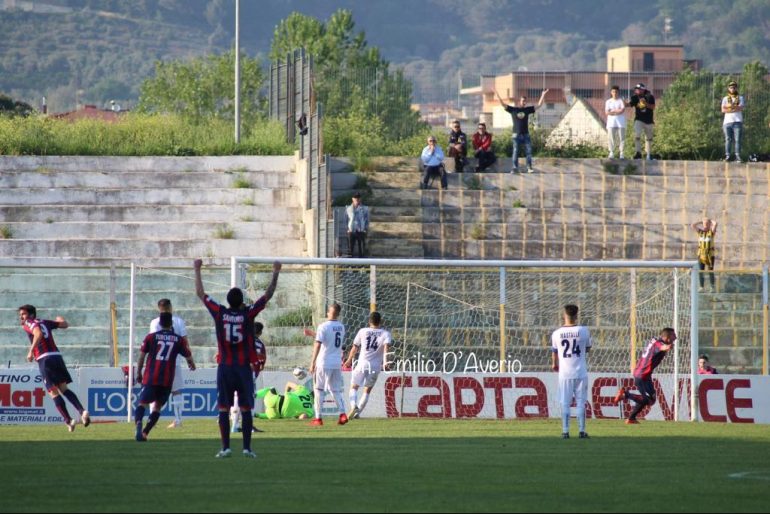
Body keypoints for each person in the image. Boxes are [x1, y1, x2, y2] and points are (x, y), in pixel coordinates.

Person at [194, 258, 281, 459]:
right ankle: (247, 449)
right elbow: (267, 296)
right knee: (246, 408)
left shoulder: (220, 312)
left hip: (225, 367)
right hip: (243, 368)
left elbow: (200, 294)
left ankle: (225, 448)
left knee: (224, 408)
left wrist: (197, 269)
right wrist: (275, 272)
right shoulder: (248, 314)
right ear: (241, 301)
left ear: (227, 300)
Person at [19, 305, 90, 432]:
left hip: (44, 359)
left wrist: (30, 351)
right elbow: (64, 324)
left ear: (31, 315)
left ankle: (68, 420)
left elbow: (38, 333)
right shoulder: (44, 322)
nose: (21, 317)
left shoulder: (28, 323)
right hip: (57, 357)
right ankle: (82, 411)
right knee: (64, 388)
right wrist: (59, 318)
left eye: (23, 314)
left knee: (53, 392)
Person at [134, 312, 196, 442]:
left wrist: (139, 372)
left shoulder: (151, 337)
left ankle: (138, 424)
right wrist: (191, 364)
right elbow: (188, 355)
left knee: (143, 403)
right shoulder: (178, 340)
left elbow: (141, 356)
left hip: (151, 377)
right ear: (171, 324)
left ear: (160, 324)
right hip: (167, 379)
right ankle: (145, 432)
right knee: (157, 407)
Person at [613, 328, 677, 424]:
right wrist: (668, 347)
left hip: (644, 374)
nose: (675, 337)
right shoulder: (659, 344)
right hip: (642, 374)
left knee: (647, 398)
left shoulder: (655, 340)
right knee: (649, 400)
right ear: (667, 337)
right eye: (673, 335)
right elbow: (662, 347)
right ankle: (625, 395)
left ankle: (631, 418)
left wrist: (667, 345)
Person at [550, 305, 592, 439]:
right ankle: (581, 431)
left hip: (565, 374)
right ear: (577, 315)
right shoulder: (584, 331)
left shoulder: (556, 333)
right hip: (580, 372)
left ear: (564, 315)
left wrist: (554, 364)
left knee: (565, 402)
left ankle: (565, 431)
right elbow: (587, 349)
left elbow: (554, 353)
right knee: (581, 402)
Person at [148, 298, 189, 429]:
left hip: (158, 363)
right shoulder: (179, 321)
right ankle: (178, 420)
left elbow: (153, 342)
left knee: (154, 389)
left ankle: (151, 421)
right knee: (176, 391)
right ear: (171, 307)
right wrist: (189, 359)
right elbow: (185, 342)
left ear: (158, 308)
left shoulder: (154, 323)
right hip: (174, 361)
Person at [343, 311, 391, 420]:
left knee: (354, 387)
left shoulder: (362, 331)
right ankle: (357, 412)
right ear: (380, 321)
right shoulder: (385, 333)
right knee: (367, 390)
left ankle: (353, 406)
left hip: (361, 364)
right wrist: (386, 362)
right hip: (375, 367)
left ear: (369, 321)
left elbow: (355, 347)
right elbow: (386, 349)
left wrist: (349, 360)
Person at [307, 303, 348, 426]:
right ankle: (343, 414)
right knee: (335, 390)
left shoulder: (323, 326)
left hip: (323, 362)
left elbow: (318, 344)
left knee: (318, 389)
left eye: (328, 311)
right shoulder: (341, 327)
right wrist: (312, 334)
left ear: (329, 312)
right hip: (336, 362)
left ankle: (318, 418)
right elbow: (329, 340)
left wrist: (312, 362)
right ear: (338, 313)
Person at [496, 88, 549, 173]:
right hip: (516, 134)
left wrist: (543, 94)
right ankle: (514, 168)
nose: (524, 102)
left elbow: (539, 105)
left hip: (526, 134)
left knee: (528, 151)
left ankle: (529, 167)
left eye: (525, 101)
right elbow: (503, 104)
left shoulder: (527, 110)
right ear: (519, 101)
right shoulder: (513, 110)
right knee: (515, 151)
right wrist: (497, 94)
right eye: (523, 101)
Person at [230, 322, 267, 433]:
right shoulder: (259, 344)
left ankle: (234, 426)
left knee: (236, 398)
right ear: (260, 332)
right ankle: (249, 426)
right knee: (248, 399)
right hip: (248, 373)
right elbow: (261, 360)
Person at [627, 83, 655, 160]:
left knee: (649, 138)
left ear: (643, 89)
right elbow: (630, 104)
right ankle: (638, 153)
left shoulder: (649, 96)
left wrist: (645, 103)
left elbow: (653, 107)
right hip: (639, 119)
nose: (636, 90)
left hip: (649, 120)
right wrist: (624, 103)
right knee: (637, 135)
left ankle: (648, 154)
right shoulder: (635, 97)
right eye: (636, 89)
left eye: (638, 89)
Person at [692, 217, 718, 292]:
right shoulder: (700, 232)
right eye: (704, 224)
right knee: (701, 270)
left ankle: (712, 287)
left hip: (710, 255)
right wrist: (701, 221)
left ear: (710, 224)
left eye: (707, 224)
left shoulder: (711, 232)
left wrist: (710, 221)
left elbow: (715, 223)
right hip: (701, 254)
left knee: (710, 270)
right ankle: (701, 286)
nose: (706, 225)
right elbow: (693, 225)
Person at [721, 80, 745, 163]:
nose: (732, 89)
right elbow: (723, 110)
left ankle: (737, 156)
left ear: (736, 88)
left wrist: (730, 108)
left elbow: (740, 108)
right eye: (731, 87)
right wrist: (732, 108)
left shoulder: (740, 98)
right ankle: (727, 155)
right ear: (728, 88)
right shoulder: (725, 98)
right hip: (727, 122)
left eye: (734, 87)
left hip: (737, 121)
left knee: (737, 139)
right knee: (728, 139)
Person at [605, 85, 627, 159]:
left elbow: (622, 110)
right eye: (613, 92)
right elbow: (607, 112)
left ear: (618, 92)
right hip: (611, 123)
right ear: (611, 92)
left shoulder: (621, 101)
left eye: (616, 92)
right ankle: (611, 152)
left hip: (620, 123)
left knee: (621, 138)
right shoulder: (608, 101)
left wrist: (613, 111)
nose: (615, 93)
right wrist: (616, 111)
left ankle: (621, 153)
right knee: (611, 138)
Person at [346, 192, 369, 258]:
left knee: (361, 250)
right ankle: (350, 266)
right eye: (355, 198)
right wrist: (347, 229)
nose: (357, 200)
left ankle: (362, 266)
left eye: (358, 198)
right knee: (350, 250)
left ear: (360, 199)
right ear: (352, 199)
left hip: (361, 231)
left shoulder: (365, 208)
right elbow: (346, 219)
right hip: (351, 231)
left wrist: (365, 229)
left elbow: (367, 220)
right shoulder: (348, 208)